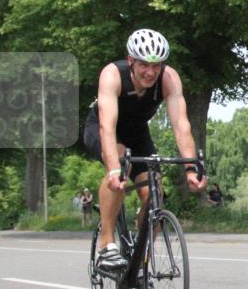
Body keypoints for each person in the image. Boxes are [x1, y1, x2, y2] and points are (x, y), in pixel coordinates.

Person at [83, 28, 207, 270]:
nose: (150, 72)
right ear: (131, 61)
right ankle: (107, 244)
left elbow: (181, 125)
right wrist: (114, 169)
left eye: (156, 65)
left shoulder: (169, 79)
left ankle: (140, 259)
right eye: (144, 65)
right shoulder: (112, 75)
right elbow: (107, 127)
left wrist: (191, 168)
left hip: (138, 133)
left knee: (155, 193)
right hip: (103, 128)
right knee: (121, 166)